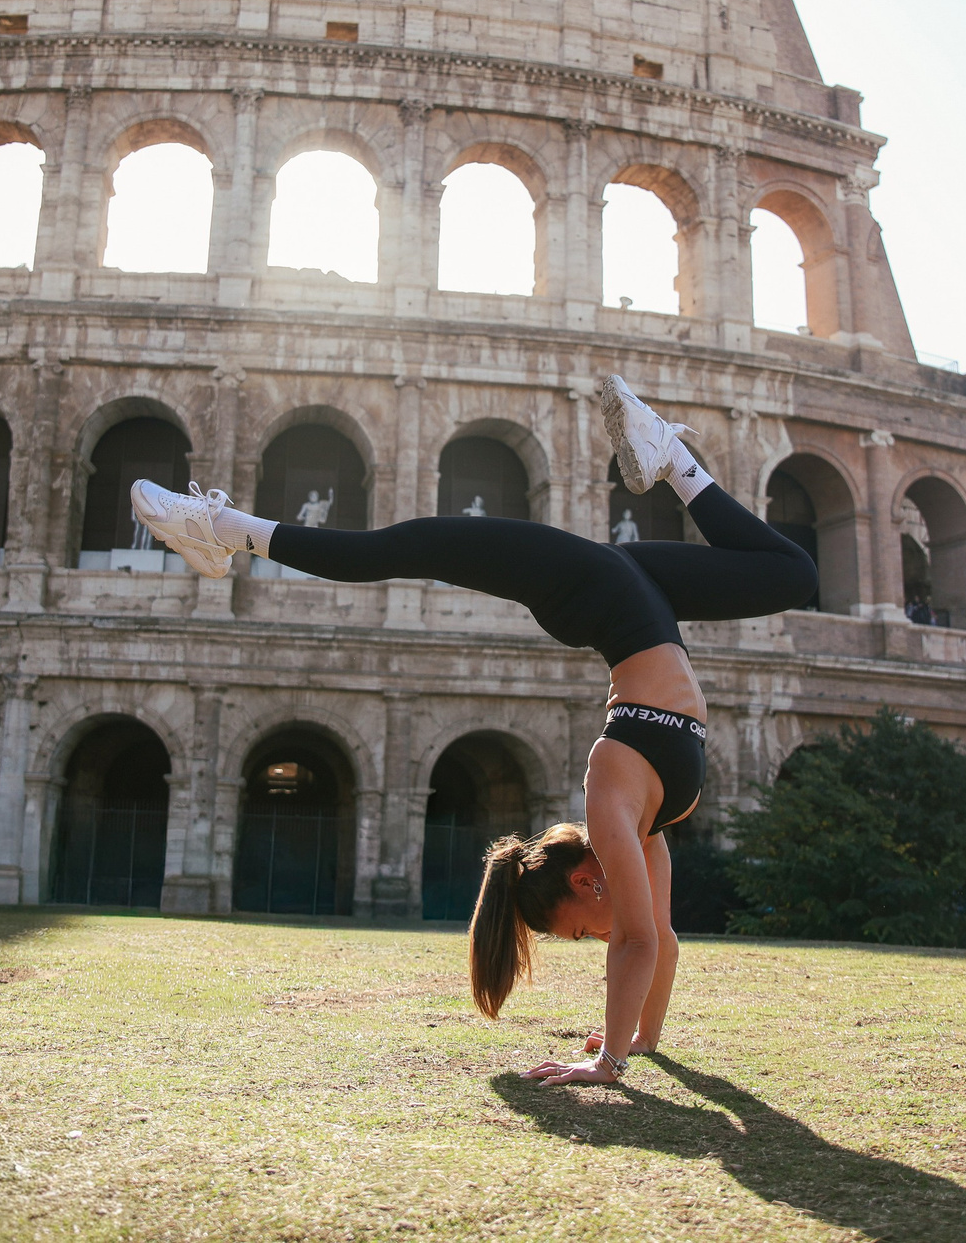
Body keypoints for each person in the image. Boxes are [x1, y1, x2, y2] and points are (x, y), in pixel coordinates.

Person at [130, 375, 816, 1086]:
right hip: (631, 597)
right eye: (589, 942)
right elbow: (662, 940)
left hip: (599, 592)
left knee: (410, 546)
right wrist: (641, 1038)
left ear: (586, 883)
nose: (600, 936)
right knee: (789, 575)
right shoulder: (644, 826)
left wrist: (606, 1064)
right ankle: (671, 458)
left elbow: (639, 941)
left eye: (584, 930)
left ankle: (225, 530)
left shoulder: (612, 797)